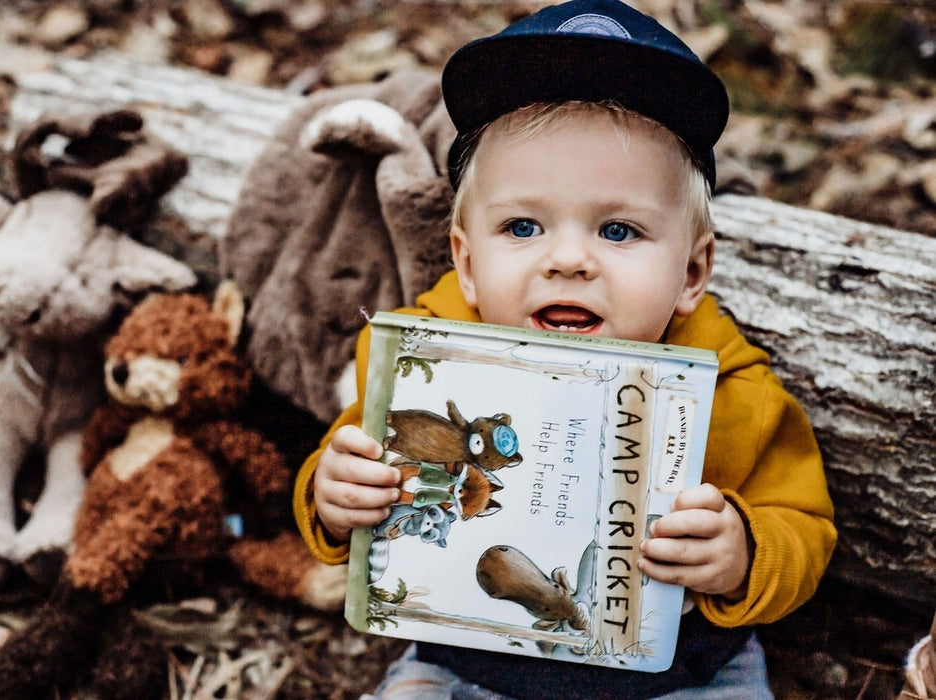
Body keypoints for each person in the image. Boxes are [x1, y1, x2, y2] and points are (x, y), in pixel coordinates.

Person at [292, 0, 837, 697]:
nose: (569, 259)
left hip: (684, 676)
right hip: (465, 666)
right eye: (522, 226)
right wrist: (334, 498)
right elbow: (349, 465)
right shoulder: (419, 363)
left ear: (692, 273)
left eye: (618, 231)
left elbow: (806, 529)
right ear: (464, 262)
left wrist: (742, 553)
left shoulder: (737, 391)